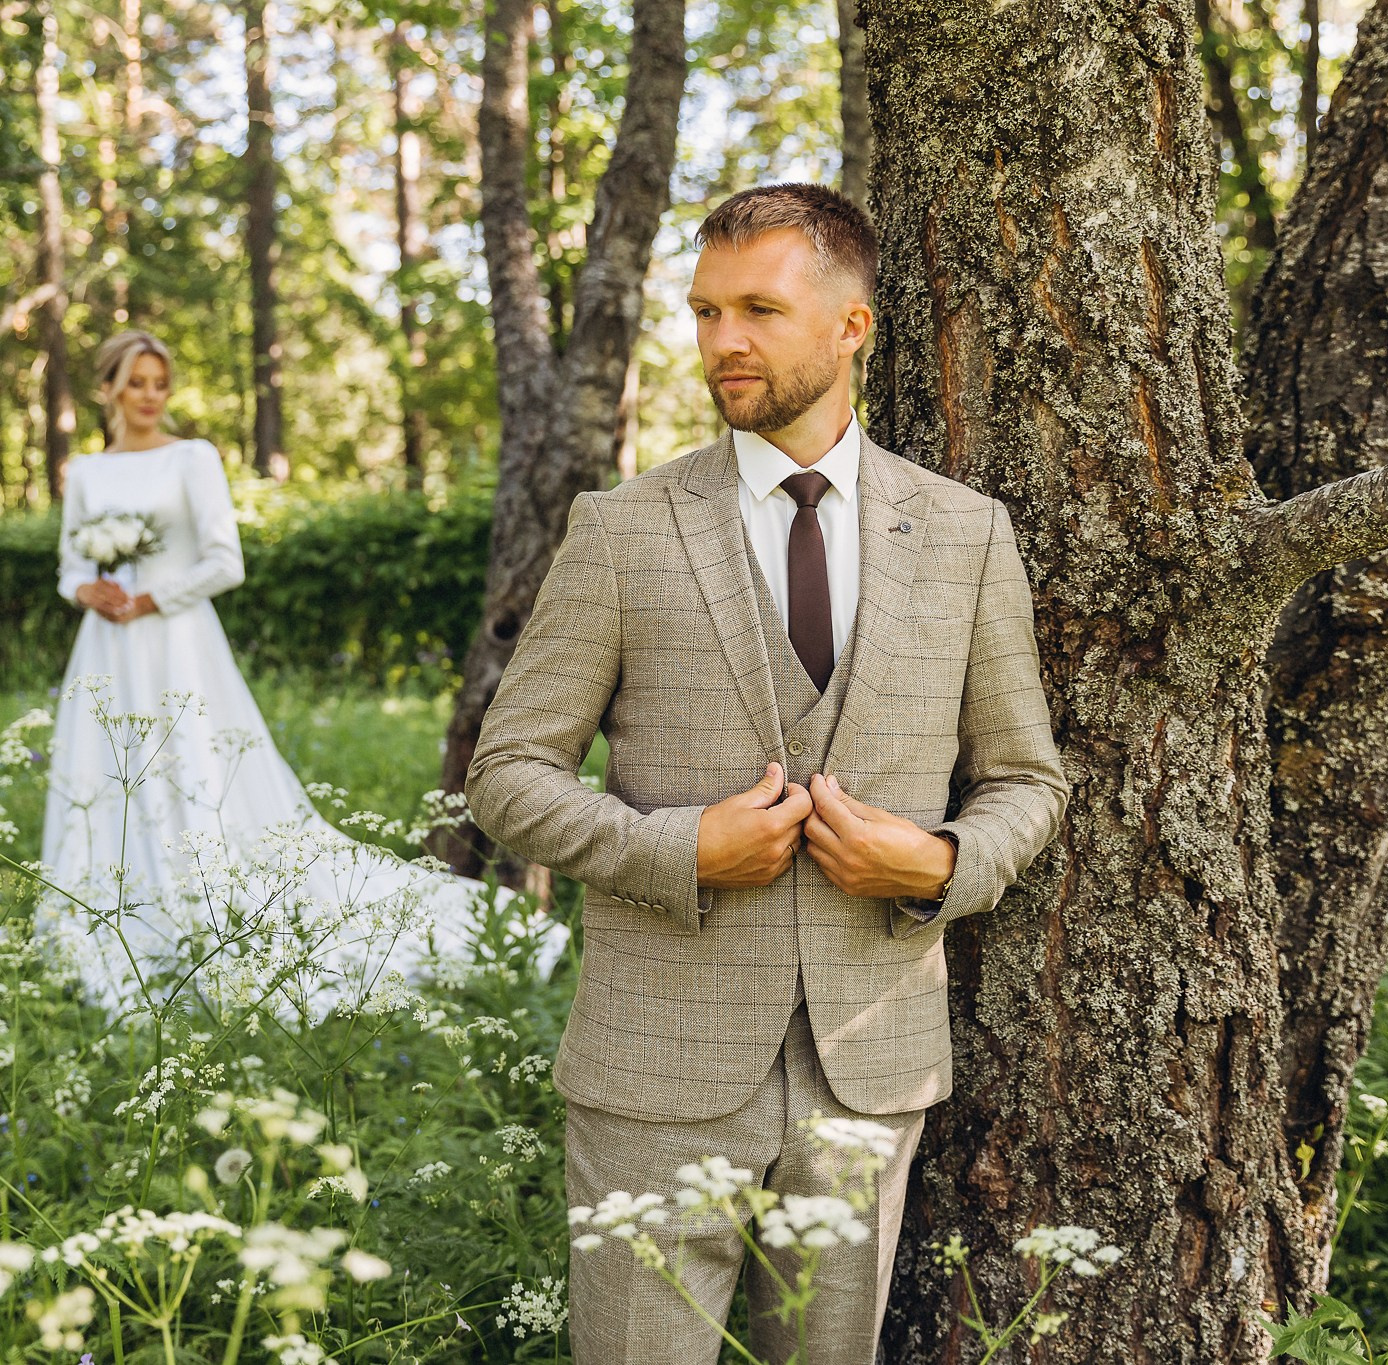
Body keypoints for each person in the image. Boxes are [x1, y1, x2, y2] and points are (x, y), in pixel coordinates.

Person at [465, 185, 1069, 1364]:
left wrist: (939, 861)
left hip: (867, 1068)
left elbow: (1026, 780)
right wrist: (674, 849)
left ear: (852, 326)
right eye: (702, 312)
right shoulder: (622, 530)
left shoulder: (963, 534)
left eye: (757, 309)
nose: (721, 341)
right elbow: (509, 769)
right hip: (654, 1072)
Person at [37, 330, 542, 1019]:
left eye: (160, 381)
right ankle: (102, 916)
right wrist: (83, 592)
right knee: (105, 773)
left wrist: (154, 597)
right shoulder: (89, 473)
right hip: (106, 648)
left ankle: (199, 904)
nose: (150, 395)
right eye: (136, 382)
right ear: (109, 389)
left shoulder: (192, 457)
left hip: (177, 641)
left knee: (191, 767)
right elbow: (71, 562)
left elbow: (225, 561)